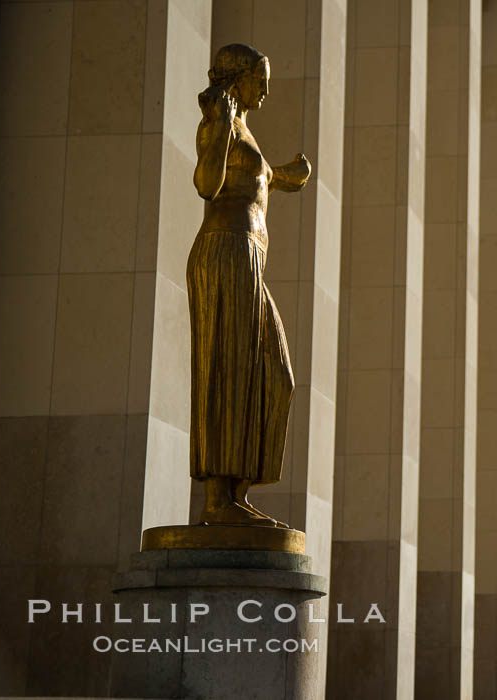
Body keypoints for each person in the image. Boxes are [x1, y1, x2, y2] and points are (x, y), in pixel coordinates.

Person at [188, 43, 311, 527]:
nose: (266, 90)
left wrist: (281, 177)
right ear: (237, 79)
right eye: (260, 80)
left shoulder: (243, 127)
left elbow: (249, 179)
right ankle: (219, 500)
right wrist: (219, 123)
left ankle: (236, 492)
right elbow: (207, 184)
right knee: (230, 368)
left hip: (248, 259)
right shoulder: (218, 122)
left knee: (274, 376)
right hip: (226, 252)